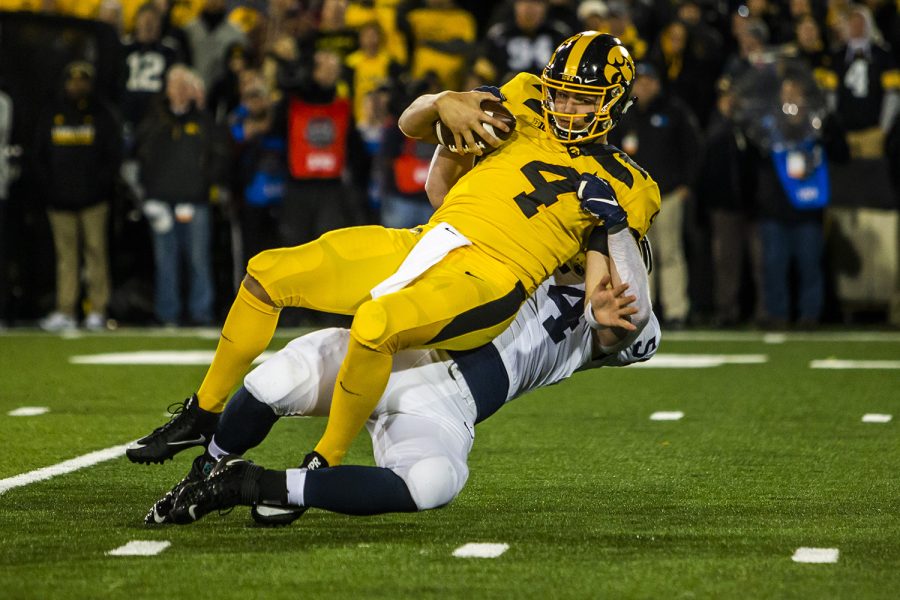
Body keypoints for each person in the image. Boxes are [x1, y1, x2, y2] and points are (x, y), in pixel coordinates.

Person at [126, 33, 661, 483]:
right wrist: (440, 100)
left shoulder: (629, 184)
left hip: (492, 277)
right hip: (428, 239)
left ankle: (325, 462)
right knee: (269, 272)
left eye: (582, 100)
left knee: (376, 323)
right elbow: (411, 126)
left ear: (615, 102)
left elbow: (612, 288)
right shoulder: (522, 96)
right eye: (560, 95)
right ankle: (203, 412)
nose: (565, 107)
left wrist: (607, 313)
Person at [146, 230, 659, 524]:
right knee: (273, 380)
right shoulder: (523, 244)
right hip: (395, 346)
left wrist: (615, 232)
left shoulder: (620, 315)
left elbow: (624, 330)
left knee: (433, 482)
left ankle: (257, 485)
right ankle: (207, 467)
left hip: (443, 404)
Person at [136, 65, 229, 326]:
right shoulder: (155, 119)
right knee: (166, 261)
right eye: (174, 84)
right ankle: (168, 314)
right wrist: (148, 196)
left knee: (198, 260)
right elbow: (141, 157)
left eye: (183, 84)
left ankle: (201, 313)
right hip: (161, 203)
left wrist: (202, 185)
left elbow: (219, 156)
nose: (178, 90)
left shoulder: (203, 121)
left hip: (195, 201)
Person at [34, 62, 122, 332]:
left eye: (82, 81)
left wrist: (100, 187)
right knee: (66, 257)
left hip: (93, 200)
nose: (77, 85)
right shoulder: (52, 113)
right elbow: (38, 156)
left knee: (96, 254)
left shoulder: (101, 115)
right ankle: (66, 309)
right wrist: (49, 189)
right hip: (59, 201)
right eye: (73, 80)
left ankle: (97, 309)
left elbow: (113, 156)